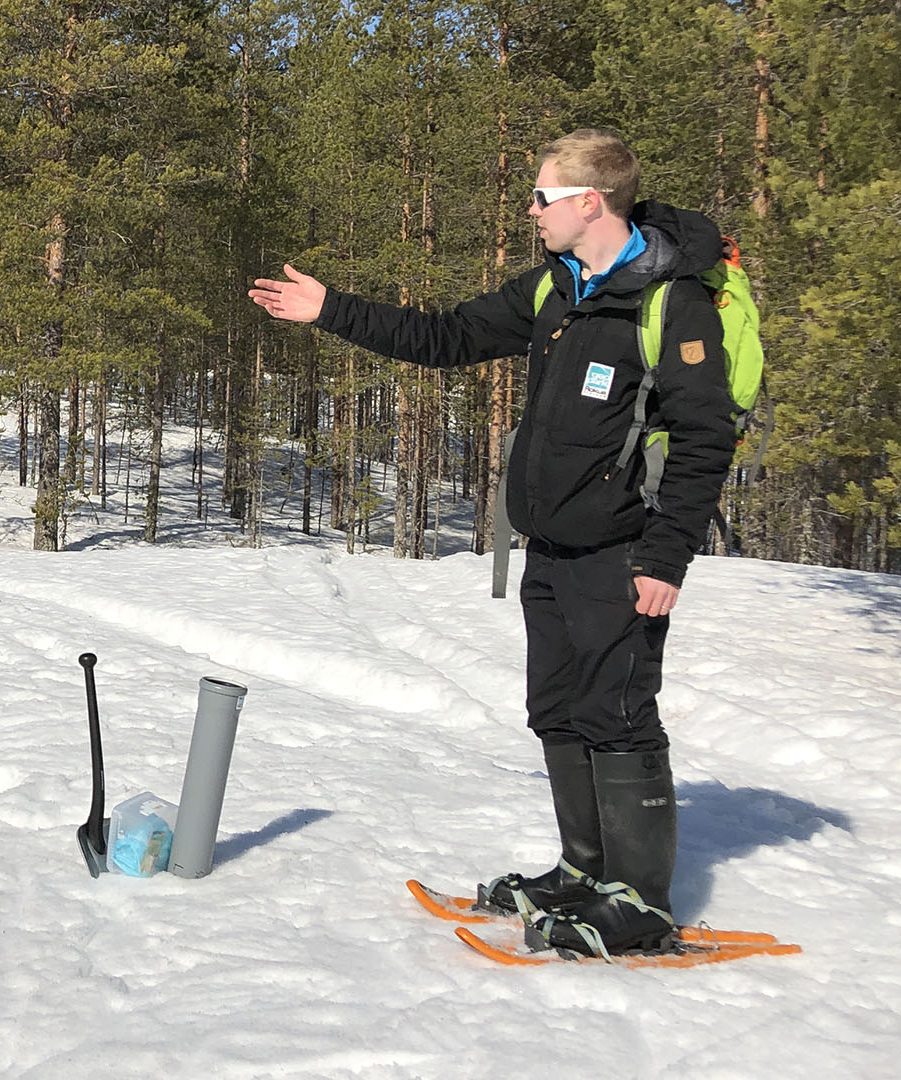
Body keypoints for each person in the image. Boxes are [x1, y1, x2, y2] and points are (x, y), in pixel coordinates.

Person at [249, 129, 737, 958]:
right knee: (558, 709)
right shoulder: (557, 286)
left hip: (623, 551)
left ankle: (641, 903)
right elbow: (446, 338)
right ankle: (584, 873)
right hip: (551, 545)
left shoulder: (668, 303)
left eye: (542, 196)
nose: (530, 208)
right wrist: (332, 309)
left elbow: (705, 436)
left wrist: (666, 556)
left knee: (617, 712)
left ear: (591, 201)